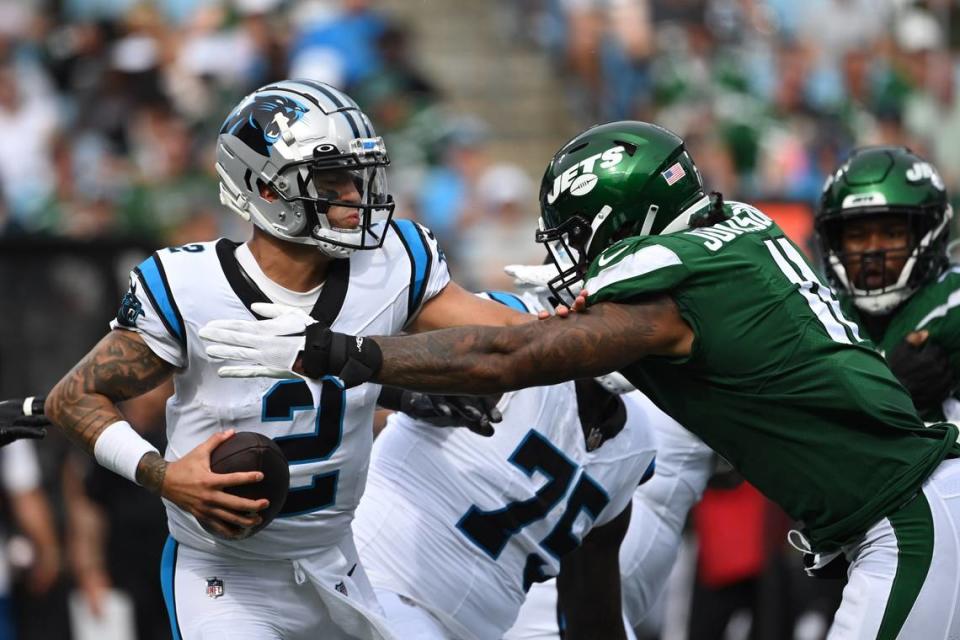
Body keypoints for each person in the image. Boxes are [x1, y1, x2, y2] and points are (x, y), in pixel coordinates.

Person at [204, 121, 960, 639]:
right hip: (900, 515)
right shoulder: (739, 232)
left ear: (617, 224)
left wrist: (340, 353)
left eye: (576, 236)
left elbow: (508, 357)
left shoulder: (671, 288)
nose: (571, 260)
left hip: (906, 517)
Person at [43, 79, 526, 640]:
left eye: (358, 175)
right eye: (332, 180)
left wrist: (579, 318)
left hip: (336, 564)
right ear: (265, 189)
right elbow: (72, 397)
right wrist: (163, 474)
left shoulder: (394, 263)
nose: (355, 196)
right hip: (226, 576)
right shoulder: (189, 285)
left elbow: (511, 342)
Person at [354, 299, 657, 639]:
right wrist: (413, 392)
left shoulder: (637, 443)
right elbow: (358, 354)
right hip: (375, 586)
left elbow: (591, 609)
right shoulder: (504, 331)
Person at [815, 146, 959, 422]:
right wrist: (891, 389)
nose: (872, 250)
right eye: (856, 235)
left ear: (927, 234)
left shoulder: (951, 302)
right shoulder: (821, 315)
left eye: (891, 233)